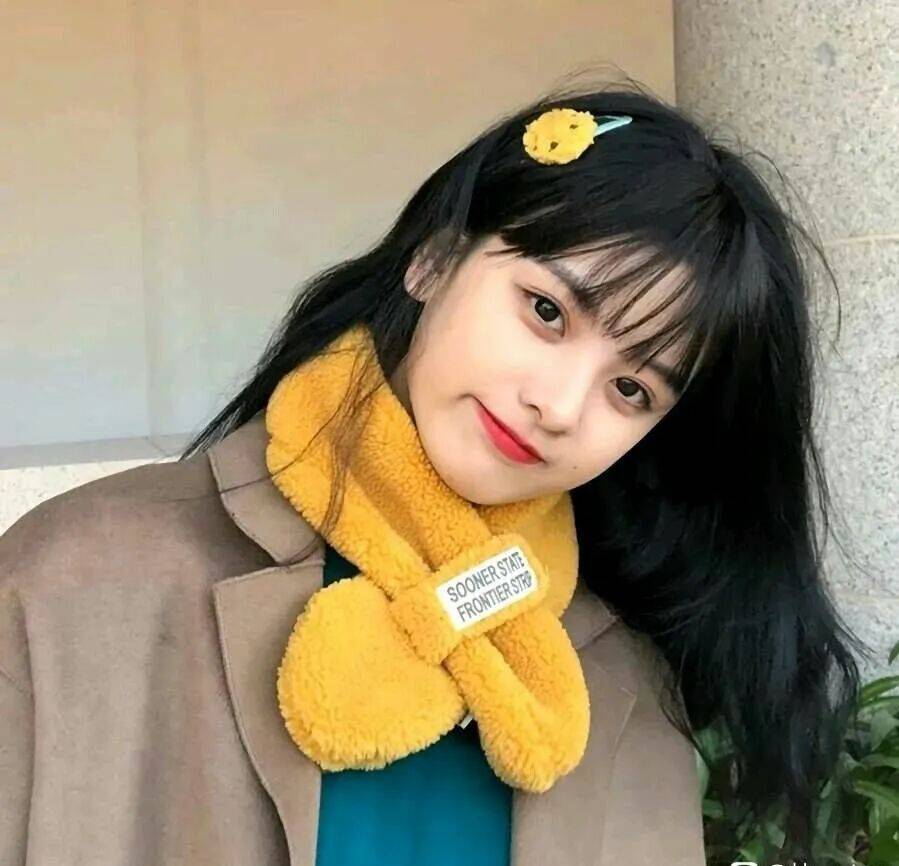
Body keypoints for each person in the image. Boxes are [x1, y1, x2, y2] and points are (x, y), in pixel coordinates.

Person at [0, 79, 866, 866]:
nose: (559, 405)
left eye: (631, 389)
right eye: (546, 311)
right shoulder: (76, 579)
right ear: (434, 260)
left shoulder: (618, 686)